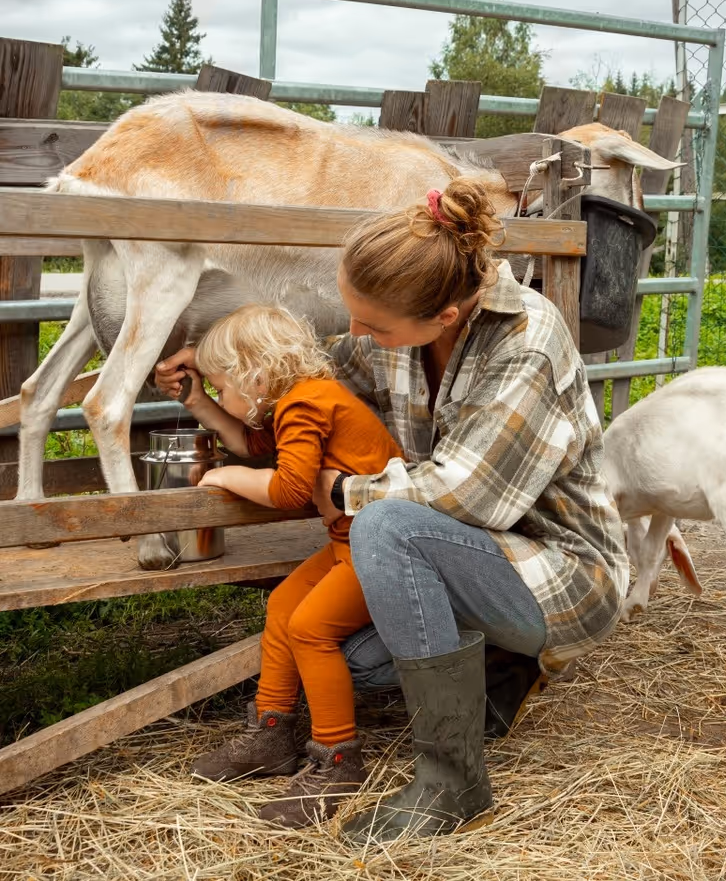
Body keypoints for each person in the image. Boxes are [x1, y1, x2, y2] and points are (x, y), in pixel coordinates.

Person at [159, 180, 628, 845]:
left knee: (382, 523)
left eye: (373, 324)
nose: (356, 333)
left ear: (444, 315)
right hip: (462, 551)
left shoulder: (527, 341)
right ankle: (498, 667)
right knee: (348, 657)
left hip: (556, 572)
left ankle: (453, 777)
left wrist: (345, 491)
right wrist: (217, 371)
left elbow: (465, 495)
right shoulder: (398, 323)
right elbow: (312, 376)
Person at [155, 304, 401, 828]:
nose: (221, 396)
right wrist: (199, 401)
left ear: (256, 376)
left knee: (310, 628)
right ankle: (271, 735)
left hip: (381, 547)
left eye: (222, 386)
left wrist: (222, 480)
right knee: (286, 605)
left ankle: (338, 761)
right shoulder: (297, 399)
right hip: (349, 540)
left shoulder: (306, 403)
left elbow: (288, 490)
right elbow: (251, 445)